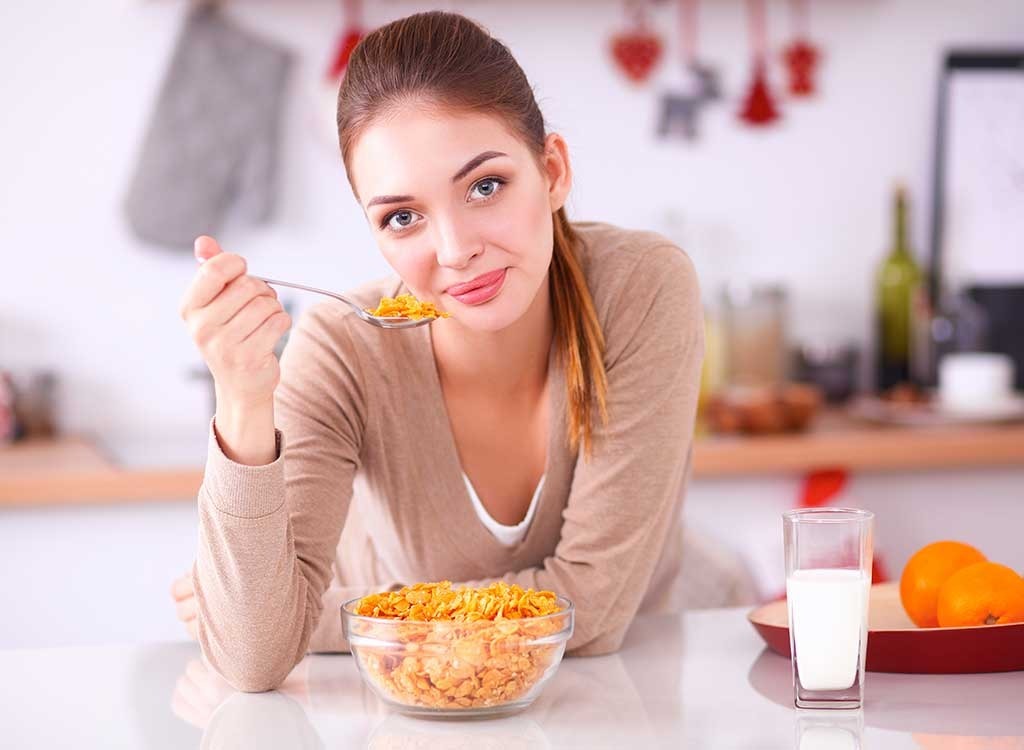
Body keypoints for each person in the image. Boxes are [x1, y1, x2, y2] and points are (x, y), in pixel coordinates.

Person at [173, 10, 703, 692]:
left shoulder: (640, 287)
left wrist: (328, 617)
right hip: (406, 718)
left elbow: (592, 613)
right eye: (403, 217)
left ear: (553, 170)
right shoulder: (343, 347)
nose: (455, 251)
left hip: (618, 705)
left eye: (485, 186)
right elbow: (252, 657)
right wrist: (244, 400)